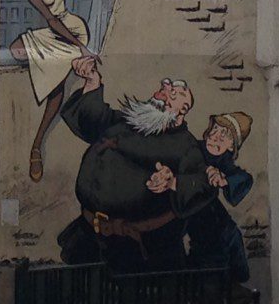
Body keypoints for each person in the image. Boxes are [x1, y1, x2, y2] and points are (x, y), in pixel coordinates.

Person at [57, 58, 214, 273]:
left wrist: (173, 182)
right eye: (165, 86)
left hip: (142, 251)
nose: (166, 87)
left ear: (182, 112)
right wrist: (92, 83)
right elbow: (92, 122)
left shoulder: (185, 145)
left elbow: (204, 185)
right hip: (91, 237)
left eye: (175, 92)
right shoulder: (129, 120)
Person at [7, 0, 109, 182]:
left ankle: (36, 146)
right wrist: (79, 48)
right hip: (56, 31)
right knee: (15, 50)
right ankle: (56, 66)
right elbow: (51, 20)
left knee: (56, 88)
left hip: (73, 28)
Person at [187, 112, 254, 282]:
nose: (216, 137)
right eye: (215, 130)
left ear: (232, 146)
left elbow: (243, 178)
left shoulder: (224, 160)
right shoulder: (194, 148)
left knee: (230, 236)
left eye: (224, 135)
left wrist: (224, 181)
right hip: (191, 216)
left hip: (214, 224)